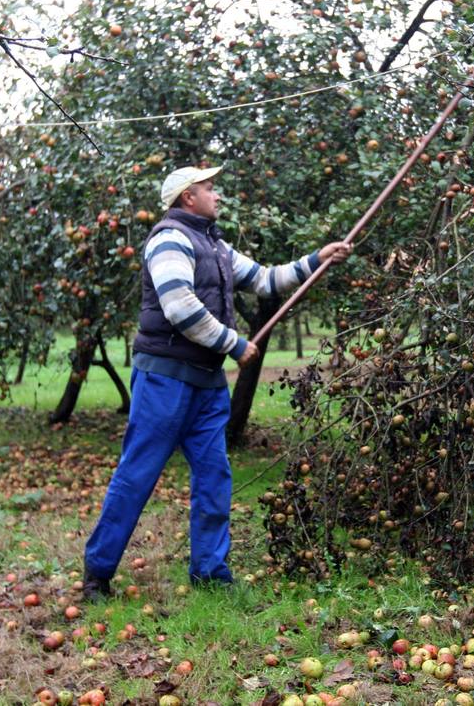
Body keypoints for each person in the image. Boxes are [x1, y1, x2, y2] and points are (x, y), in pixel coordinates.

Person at [82, 165, 350, 599]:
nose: (217, 194)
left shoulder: (217, 247)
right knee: (138, 474)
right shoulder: (170, 239)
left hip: (206, 385)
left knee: (214, 476)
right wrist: (234, 343)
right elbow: (179, 308)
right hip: (165, 381)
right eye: (209, 188)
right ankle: (97, 572)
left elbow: (266, 280)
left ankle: (209, 572)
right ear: (188, 196)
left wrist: (316, 260)